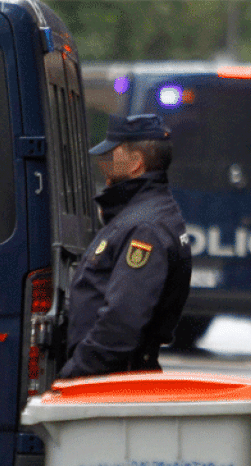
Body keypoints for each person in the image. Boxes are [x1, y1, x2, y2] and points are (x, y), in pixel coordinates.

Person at [59, 114, 192, 379]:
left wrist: (74, 376)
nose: (103, 160)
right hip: (113, 376)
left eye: (112, 152)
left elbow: (121, 323)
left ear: (135, 164)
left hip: (110, 381)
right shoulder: (139, 215)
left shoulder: (145, 227)